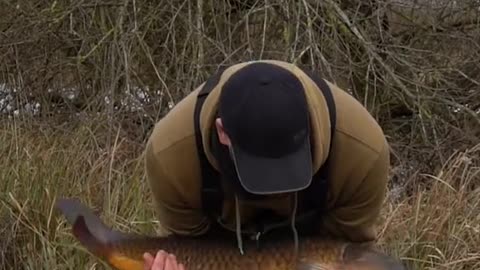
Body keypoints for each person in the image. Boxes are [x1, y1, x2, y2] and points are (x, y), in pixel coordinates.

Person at [143, 60, 390, 269]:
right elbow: (190, 249)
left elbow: (350, 248)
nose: (276, 189)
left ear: (310, 131)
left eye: (286, 170)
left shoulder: (361, 154)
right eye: (261, 172)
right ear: (222, 132)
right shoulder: (171, 156)